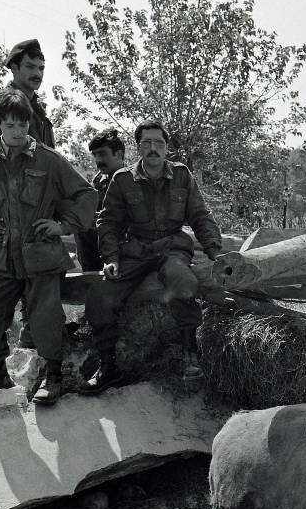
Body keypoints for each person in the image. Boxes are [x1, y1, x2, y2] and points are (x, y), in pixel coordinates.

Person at [0, 90, 97, 406]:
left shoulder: (49, 159)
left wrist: (62, 226)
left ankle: (53, 378)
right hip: (3, 256)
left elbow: (87, 194)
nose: (18, 132)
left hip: (41, 254)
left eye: (23, 125)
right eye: (11, 126)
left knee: (46, 320)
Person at [81, 121, 222, 393]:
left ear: (166, 148)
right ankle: (107, 367)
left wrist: (215, 251)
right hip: (137, 251)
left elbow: (200, 216)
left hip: (172, 248)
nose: (153, 148)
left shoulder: (182, 176)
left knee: (184, 283)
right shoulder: (122, 179)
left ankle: (189, 357)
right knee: (100, 295)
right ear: (138, 147)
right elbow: (108, 223)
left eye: (158, 143)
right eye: (146, 143)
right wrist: (111, 258)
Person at [0, 38, 55, 350]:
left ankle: (34, 348)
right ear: (14, 67)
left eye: (41, 68)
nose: (37, 73)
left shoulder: (37, 108)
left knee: (40, 279)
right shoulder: (3, 105)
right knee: (6, 284)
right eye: (30, 67)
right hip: (13, 207)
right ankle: (4, 367)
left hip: (41, 205)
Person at [74, 129, 125, 271]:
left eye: (102, 154)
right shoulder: (98, 181)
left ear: (119, 154)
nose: (97, 160)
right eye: (95, 155)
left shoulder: (132, 180)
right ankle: (90, 273)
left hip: (125, 242)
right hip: (98, 243)